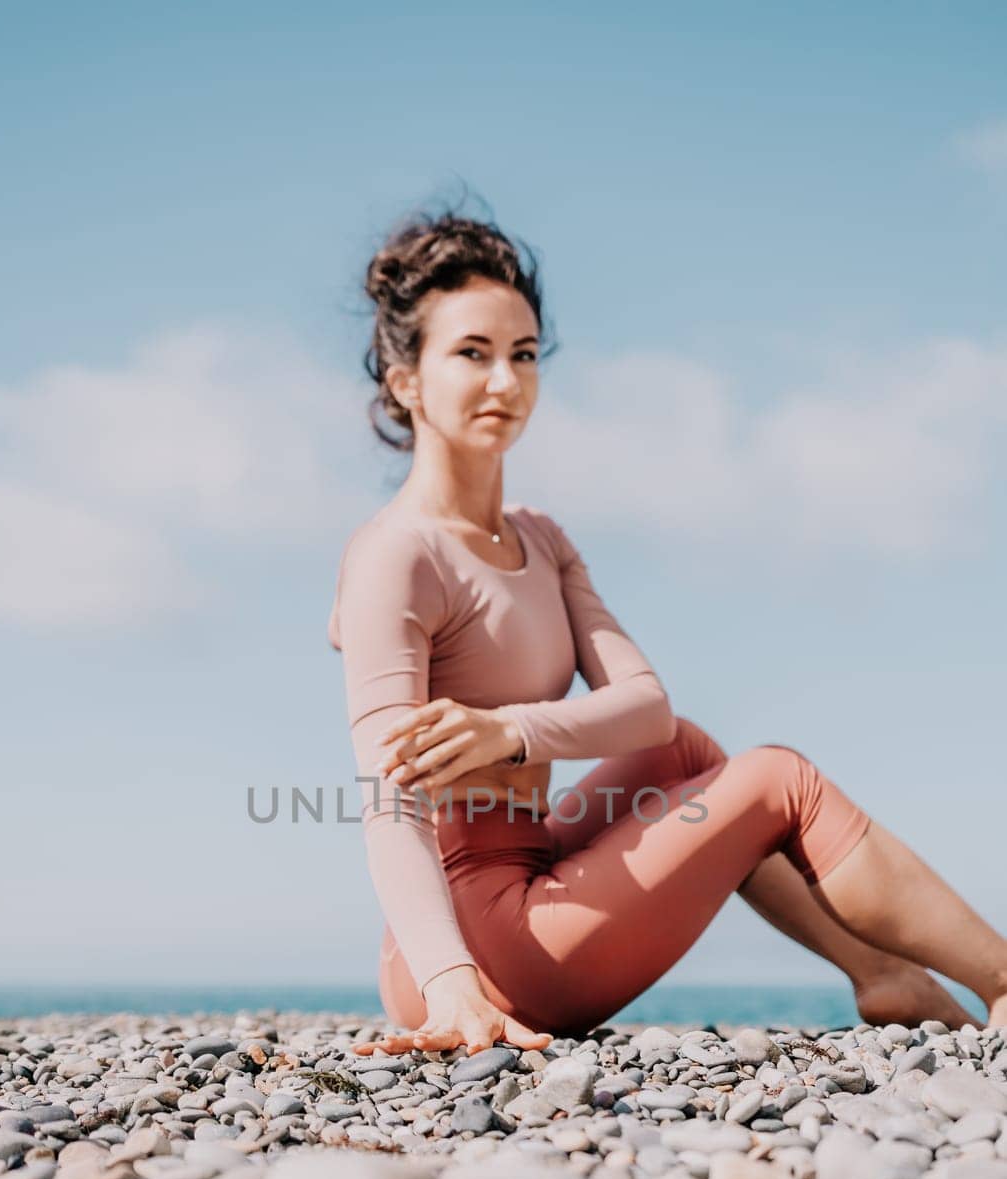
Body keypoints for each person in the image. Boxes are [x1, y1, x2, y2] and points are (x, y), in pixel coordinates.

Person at [327, 205, 1007, 1057]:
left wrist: (510, 731)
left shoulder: (540, 540)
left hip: (524, 885)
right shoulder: (395, 554)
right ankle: (1003, 980)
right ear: (406, 380)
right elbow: (386, 798)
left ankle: (884, 974)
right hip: (473, 947)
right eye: (471, 353)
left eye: (523, 354)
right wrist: (452, 991)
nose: (505, 381)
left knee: (687, 747)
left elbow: (646, 710)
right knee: (778, 780)